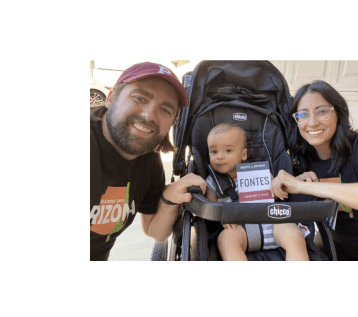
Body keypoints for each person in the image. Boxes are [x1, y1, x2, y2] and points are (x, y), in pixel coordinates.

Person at [90, 62, 206, 261]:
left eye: (165, 110)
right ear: (111, 97)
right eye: (140, 98)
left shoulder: (148, 159)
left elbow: (155, 232)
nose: (148, 115)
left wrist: (169, 198)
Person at [270, 81, 358, 261]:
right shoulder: (301, 159)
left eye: (322, 111)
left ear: (338, 114)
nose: (312, 122)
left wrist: (306, 187)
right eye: (303, 114)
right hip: (338, 252)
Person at [205, 124, 309, 261]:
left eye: (228, 150)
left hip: (272, 223)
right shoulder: (212, 182)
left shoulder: (260, 171)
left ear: (243, 154)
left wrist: (278, 190)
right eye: (214, 152)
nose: (219, 157)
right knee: (225, 240)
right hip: (241, 230)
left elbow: (276, 195)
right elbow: (211, 210)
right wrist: (222, 216)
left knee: (294, 235)